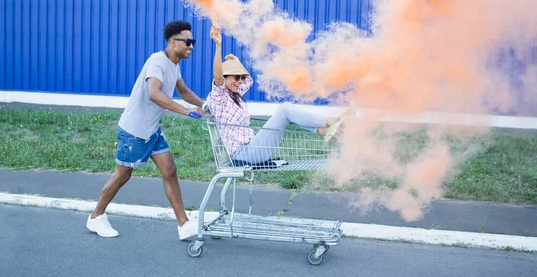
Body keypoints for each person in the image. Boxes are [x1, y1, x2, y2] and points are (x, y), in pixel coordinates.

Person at [86, 20, 205, 240]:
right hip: (134, 131)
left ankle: (183, 224)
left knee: (169, 170)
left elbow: (184, 91)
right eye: (188, 41)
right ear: (172, 42)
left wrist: (206, 106)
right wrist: (186, 111)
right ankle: (96, 217)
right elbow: (154, 93)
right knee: (123, 176)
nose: (191, 46)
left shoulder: (174, 65)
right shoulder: (157, 61)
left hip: (152, 130)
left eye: (193, 42)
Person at [205, 24, 345, 165]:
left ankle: (321, 130)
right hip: (245, 153)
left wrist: (237, 64)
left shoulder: (235, 93)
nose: (240, 82)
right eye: (236, 78)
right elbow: (218, 77)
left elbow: (249, 81)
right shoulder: (219, 98)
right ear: (225, 77)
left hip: (254, 146)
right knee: (285, 109)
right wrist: (218, 45)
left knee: (284, 112)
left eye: (241, 78)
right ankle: (329, 121)